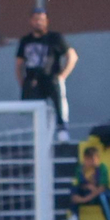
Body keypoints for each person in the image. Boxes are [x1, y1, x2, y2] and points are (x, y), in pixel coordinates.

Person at [17, 8, 77, 142]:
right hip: (33, 80)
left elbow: (72, 56)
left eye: (42, 20)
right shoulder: (26, 40)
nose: (39, 23)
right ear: (31, 21)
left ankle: (62, 130)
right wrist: (22, 81)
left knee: (59, 103)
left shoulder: (55, 38)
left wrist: (63, 75)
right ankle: (40, 136)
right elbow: (19, 63)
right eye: (36, 19)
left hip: (51, 78)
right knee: (36, 110)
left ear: (47, 21)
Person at [67, 145, 110, 220]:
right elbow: (81, 184)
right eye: (91, 159)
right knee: (74, 189)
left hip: (99, 195)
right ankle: (75, 217)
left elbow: (102, 187)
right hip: (87, 194)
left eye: (96, 159)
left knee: (104, 197)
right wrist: (87, 188)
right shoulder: (80, 169)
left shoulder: (102, 168)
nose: (94, 162)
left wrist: (85, 199)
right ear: (86, 159)